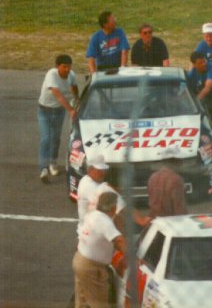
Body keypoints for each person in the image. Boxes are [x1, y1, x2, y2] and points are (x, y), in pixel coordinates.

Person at [73, 192, 127, 308]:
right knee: (100, 303)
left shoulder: (92, 215)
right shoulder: (105, 222)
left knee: (83, 302)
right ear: (113, 208)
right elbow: (119, 240)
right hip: (92, 267)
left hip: (80, 260)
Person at [38, 54, 79, 183]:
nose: (67, 69)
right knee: (46, 138)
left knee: (55, 138)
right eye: (64, 67)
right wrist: (71, 110)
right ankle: (43, 168)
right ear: (57, 67)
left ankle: (53, 163)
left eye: (69, 66)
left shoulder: (71, 75)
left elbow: (74, 87)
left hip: (59, 111)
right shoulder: (51, 74)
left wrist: (77, 99)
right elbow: (58, 95)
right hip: (44, 110)